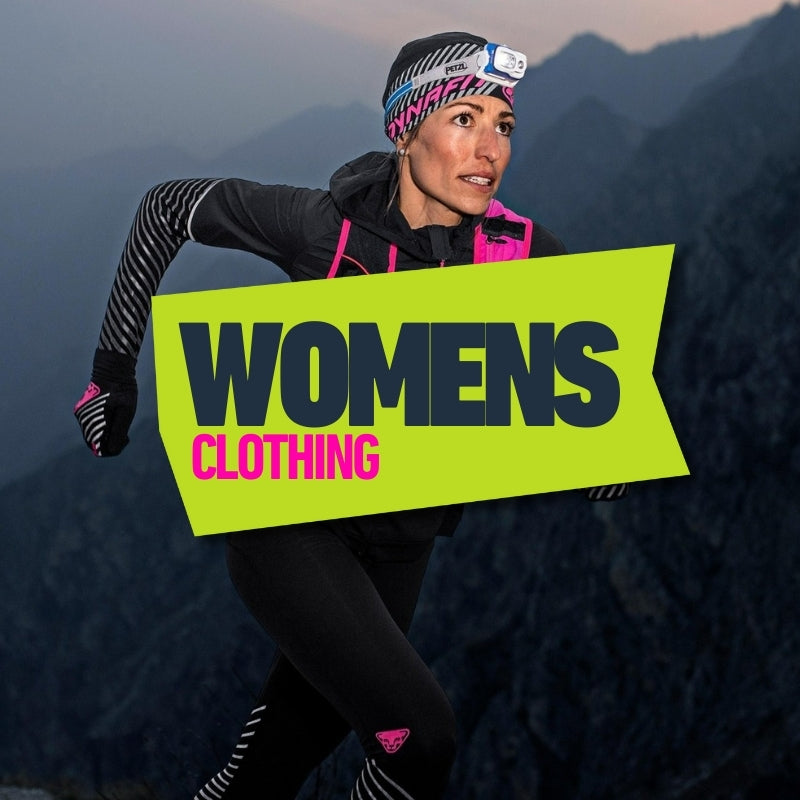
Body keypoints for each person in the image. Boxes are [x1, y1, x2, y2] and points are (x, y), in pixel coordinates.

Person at [74, 31, 627, 800]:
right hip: (289, 526)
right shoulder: (323, 229)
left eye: (503, 125)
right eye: (464, 119)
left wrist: (601, 454)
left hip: (400, 549)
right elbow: (167, 208)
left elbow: (591, 393)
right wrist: (111, 378)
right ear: (406, 129)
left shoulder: (524, 256)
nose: (489, 149)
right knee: (418, 745)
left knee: (265, 777)